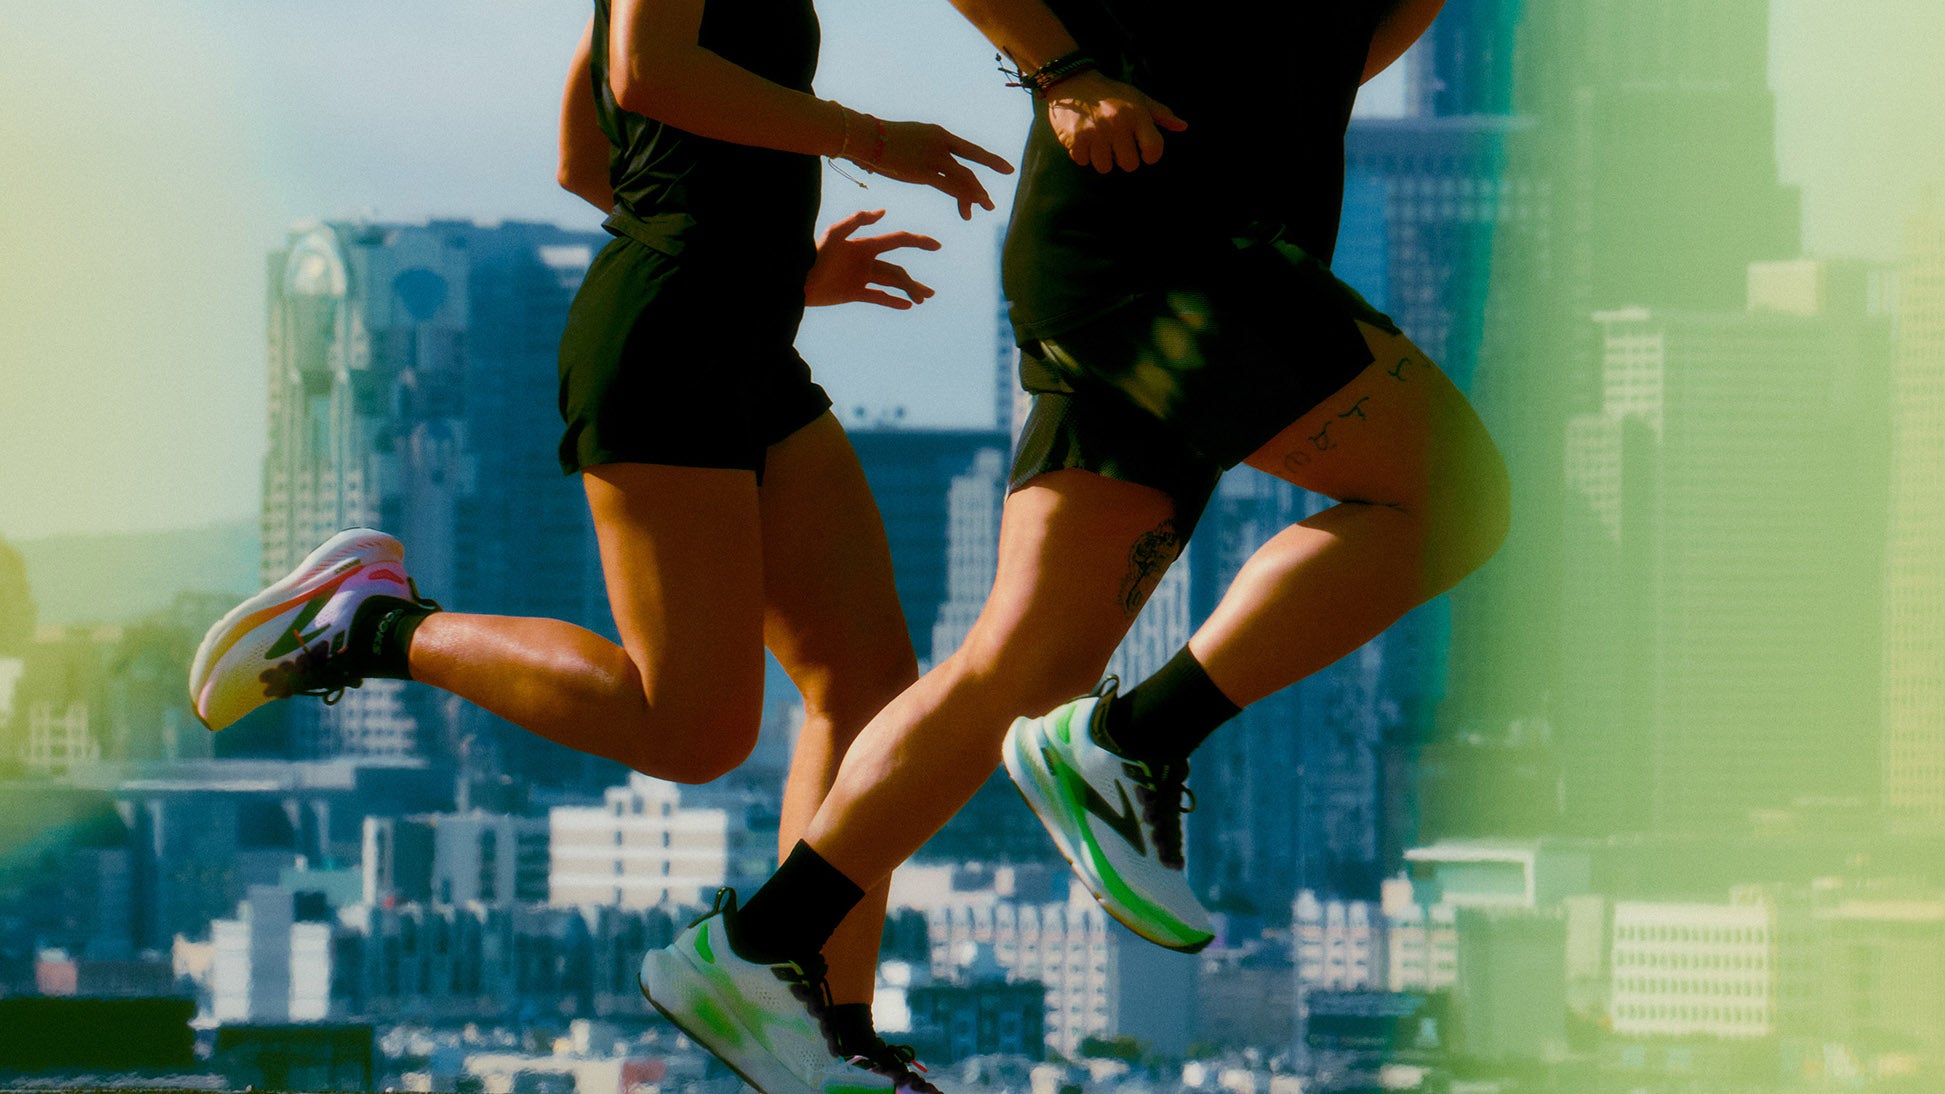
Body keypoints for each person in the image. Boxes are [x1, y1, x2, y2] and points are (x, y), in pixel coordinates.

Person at [635, 0, 1509, 1086]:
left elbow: (1348, 40)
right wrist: (1062, 70)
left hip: (1170, 256)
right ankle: (1136, 740)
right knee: (1453, 497)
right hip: (1169, 257)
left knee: (1022, 663)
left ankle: (760, 945)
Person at [188, 1, 1010, 1090]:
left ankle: (819, 1022)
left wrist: (776, 272)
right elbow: (647, 72)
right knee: (691, 729)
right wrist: (865, 139)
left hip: (739, 329)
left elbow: (586, 157)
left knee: (865, 685)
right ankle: (368, 623)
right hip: (670, 343)